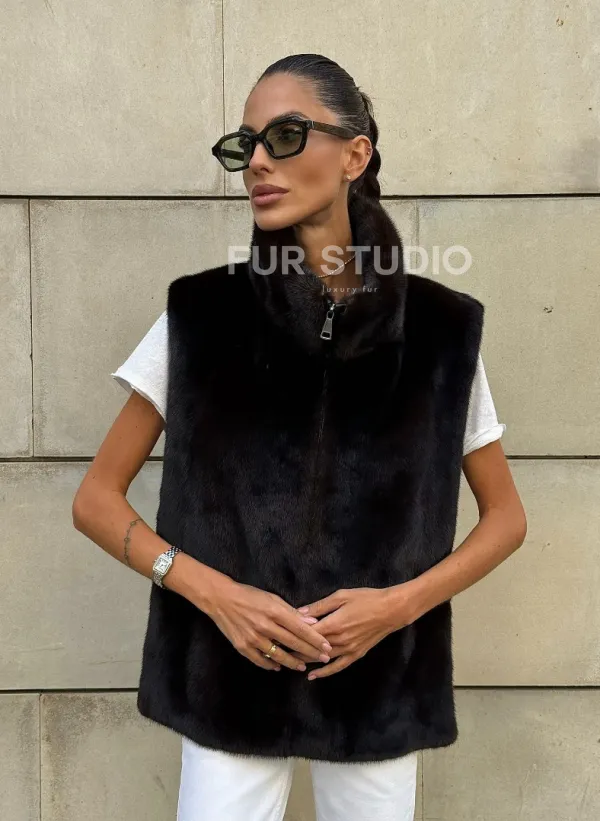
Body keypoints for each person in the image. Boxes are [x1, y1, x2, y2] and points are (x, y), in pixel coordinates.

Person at [73, 53, 527, 821]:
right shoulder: (201, 317)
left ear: (355, 154)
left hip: (378, 680)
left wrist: (397, 607)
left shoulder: (439, 330)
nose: (257, 161)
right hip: (225, 678)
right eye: (244, 144)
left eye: (285, 135)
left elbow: (507, 518)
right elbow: (95, 499)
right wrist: (217, 595)